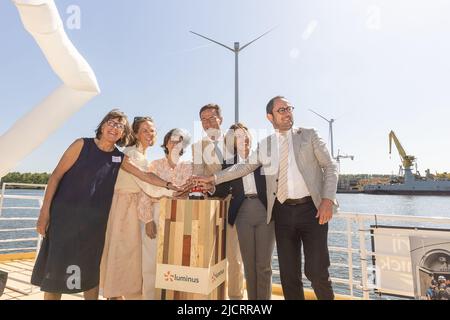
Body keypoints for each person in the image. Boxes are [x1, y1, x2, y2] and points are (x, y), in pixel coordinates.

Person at [194, 96, 339, 300]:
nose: (287, 113)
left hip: (312, 211)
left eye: (289, 108)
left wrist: (327, 199)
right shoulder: (266, 145)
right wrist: (213, 178)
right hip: (282, 214)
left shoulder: (309, 135)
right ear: (270, 117)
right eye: (281, 110)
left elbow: (331, 166)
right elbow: (243, 167)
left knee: (316, 272)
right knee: (289, 276)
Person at [31, 110, 181, 300]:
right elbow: (55, 176)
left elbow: (145, 176)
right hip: (65, 220)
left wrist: (170, 185)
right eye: (111, 122)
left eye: (120, 126)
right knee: (56, 275)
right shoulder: (81, 145)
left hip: (95, 226)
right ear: (102, 125)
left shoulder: (118, 157)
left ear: (122, 134)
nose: (115, 127)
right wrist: (45, 213)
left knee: (91, 275)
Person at [100, 116, 174, 300]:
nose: (150, 134)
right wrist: (175, 191)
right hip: (124, 208)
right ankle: (115, 295)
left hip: (131, 207)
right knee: (121, 256)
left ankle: (119, 294)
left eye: (152, 130)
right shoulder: (133, 154)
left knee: (127, 258)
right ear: (135, 133)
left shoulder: (139, 153)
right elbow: (148, 185)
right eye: (145, 130)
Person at [212, 123, 274, 300]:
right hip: (242, 213)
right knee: (248, 264)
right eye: (237, 136)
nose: (243, 138)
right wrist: (208, 188)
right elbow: (222, 190)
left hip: (265, 211)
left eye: (244, 134)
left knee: (264, 265)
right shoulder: (228, 163)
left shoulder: (263, 156)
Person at [192, 103, 244, 300]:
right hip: (212, 204)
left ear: (220, 119)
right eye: (204, 119)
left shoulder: (236, 140)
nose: (207, 122)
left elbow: (244, 168)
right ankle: (215, 297)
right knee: (212, 256)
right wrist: (207, 188)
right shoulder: (198, 147)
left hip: (238, 204)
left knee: (234, 256)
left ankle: (236, 298)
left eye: (212, 118)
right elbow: (198, 176)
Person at [140, 128, 193, 299]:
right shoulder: (154, 165)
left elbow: (190, 193)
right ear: (166, 142)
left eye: (180, 140)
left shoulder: (189, 166)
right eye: (172, 139)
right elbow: (145, 192)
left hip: (181, 215)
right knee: (150, 264)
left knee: (177, 263)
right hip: (156, 214)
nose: (175, 143)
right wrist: (148, 220)